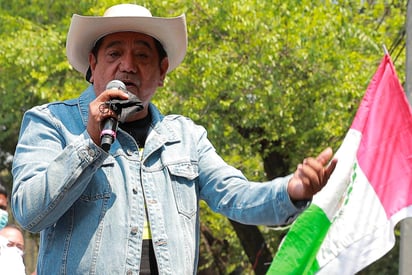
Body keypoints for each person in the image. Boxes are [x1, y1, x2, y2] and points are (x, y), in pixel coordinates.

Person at [11, 4, 337, 274]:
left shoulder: (186, 138)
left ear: (162, 71)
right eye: (114, 54)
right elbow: (30, 213)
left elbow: (236, 196)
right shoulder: (51, 122)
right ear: (93, 66)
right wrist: (90, 144)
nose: (128, 66)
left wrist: (292, 191)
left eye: (142, 55)